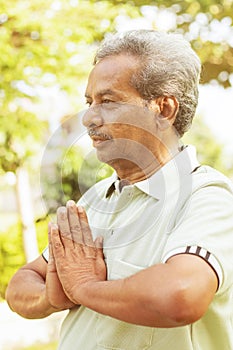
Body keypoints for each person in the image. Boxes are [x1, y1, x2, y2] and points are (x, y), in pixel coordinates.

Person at [6, 30, 233, 350]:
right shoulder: (95, 199)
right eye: (89, 102)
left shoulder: (207, 198)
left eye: (108, 101)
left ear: (163, 110)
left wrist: (84, 287)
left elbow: (181, 296)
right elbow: (21, 283)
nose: (88, 118)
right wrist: (50, 296)